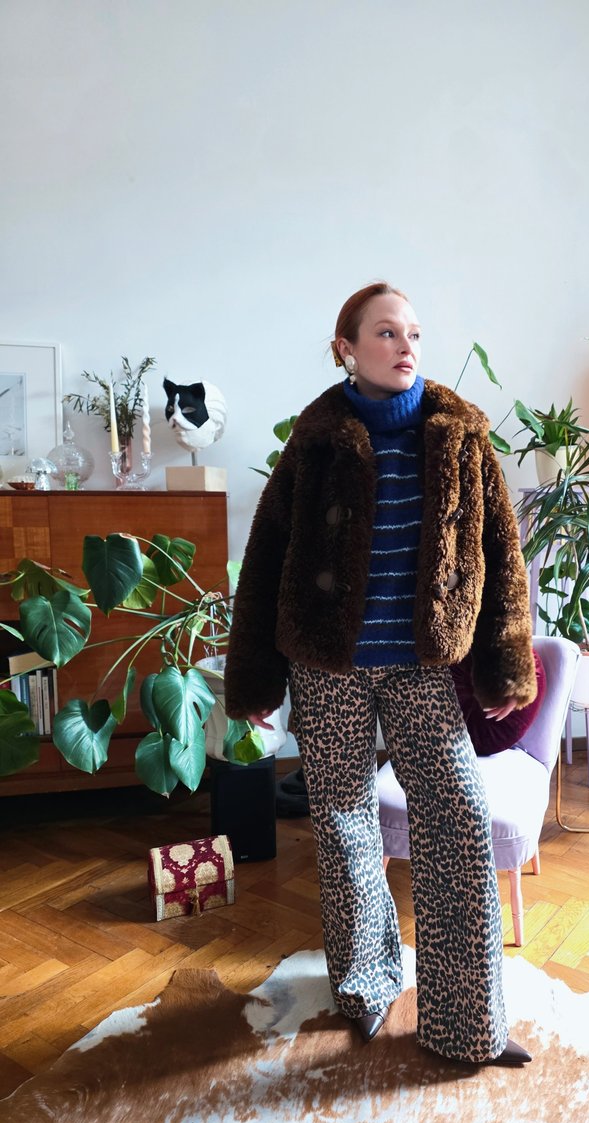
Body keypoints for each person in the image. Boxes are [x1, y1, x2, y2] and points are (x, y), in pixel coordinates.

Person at [225, 281, 539, 1065]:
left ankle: (468, 1024)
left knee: (459, 816)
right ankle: (365, 990)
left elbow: (504, 558)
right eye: (387, 333)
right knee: (342, 820)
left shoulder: (460, 433)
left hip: (420, 668)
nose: (406, 347)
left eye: (414, 334)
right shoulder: (317, 437)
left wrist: (505, 663)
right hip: (325, 664)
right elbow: (266, 560)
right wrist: (257, 683)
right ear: (347, 348)